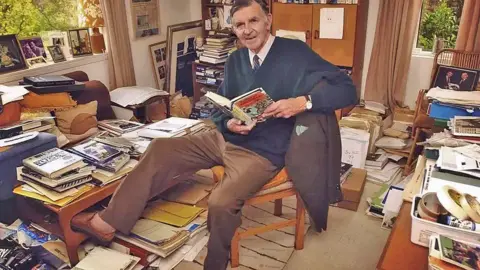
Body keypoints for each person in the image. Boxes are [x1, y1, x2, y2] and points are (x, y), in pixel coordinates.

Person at [71, 0, 356, 269]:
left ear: (268, 20)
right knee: (160, 148)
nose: (247, 30)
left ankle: (215, 263)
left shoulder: (295, 53)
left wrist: (302, 102)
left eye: (254, 20)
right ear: (233, 29)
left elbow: (346, 89)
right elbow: (220, 106)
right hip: (226, 138)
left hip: (263, 153)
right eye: (239, 24)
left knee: (220, 202)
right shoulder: (235, 60)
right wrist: (227, 123)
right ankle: (108, 223)